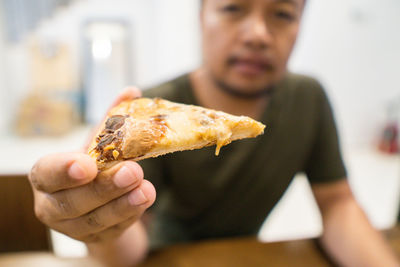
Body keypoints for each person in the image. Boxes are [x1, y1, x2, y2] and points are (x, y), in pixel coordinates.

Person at [29, 0, 399, 266]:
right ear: (202, 15)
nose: (257, 34)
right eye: (233, 8)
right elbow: (130, 244)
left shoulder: (309, 98)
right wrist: (99, 226)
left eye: (283, 14)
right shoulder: (150, 115)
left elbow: (338, 203)